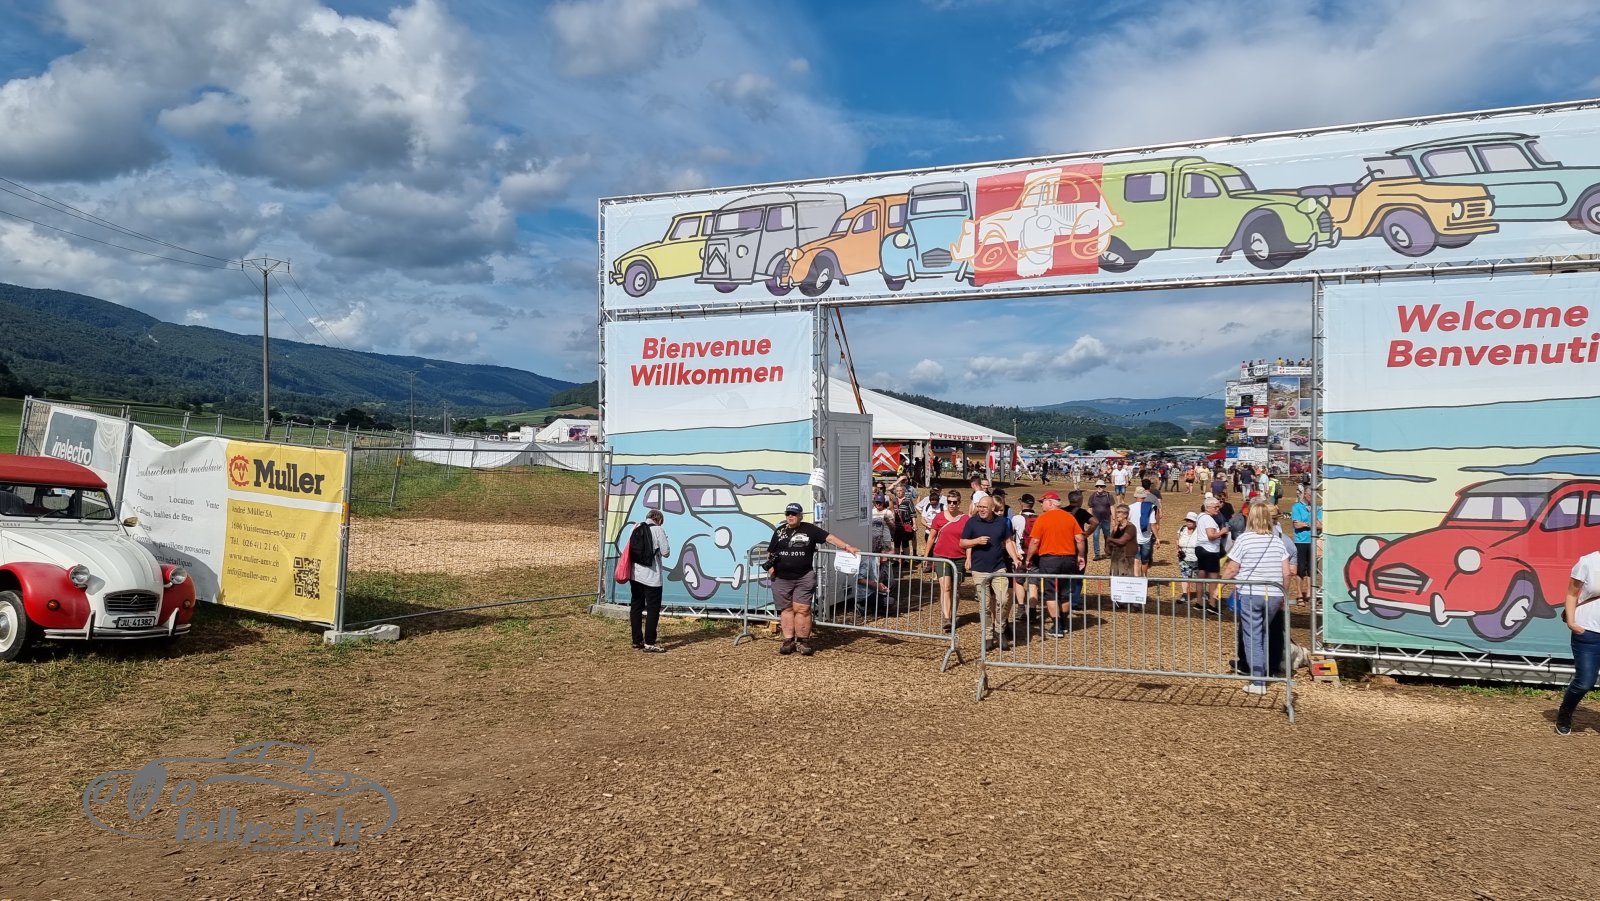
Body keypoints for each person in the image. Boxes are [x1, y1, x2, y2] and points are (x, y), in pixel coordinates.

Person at [763, 502, 859, 657]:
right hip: (781, 578)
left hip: (803, 577)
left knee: (803, 609)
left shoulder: (810, 529)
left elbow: (830, 538)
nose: (790, 516)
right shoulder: (779, 531)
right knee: (786, 609)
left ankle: (803, 641)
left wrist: (847, 547)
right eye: (788, 513)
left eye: (794, 514)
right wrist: (770, 568)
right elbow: (771, 552)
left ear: (800, 516)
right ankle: (788, 640)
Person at [1222, 502, 1294, 694]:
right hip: (1274, 593)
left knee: (1252, 635)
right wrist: (1284, 594)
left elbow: (1232, 568)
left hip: (1251, 592)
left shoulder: (1244, 539)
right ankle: (1266, 672)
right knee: (1264, 632)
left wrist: (1218, 586)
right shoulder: (1277, 541)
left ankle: (1258, 681)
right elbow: (1287, 573)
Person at [961, 495, 1022, 651]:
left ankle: (999, 630)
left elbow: (1008, 542)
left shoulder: (1001, 522)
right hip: (979, 570)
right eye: (979, 507)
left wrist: (1015, 558)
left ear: (992, 508)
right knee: (985, 605)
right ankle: (987, 635)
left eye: (984, 507)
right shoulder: (972, 522)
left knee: (1003, 599)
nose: (981, 510)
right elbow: (962, 542)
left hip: (998, 568)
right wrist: (976, 541)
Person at [1025, 490, 1086, 638]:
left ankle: (1057, 626)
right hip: (1069, 559)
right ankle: (1064, 624)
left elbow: (1035, 541)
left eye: (1043, 502)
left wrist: (1028, 558)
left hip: (1049, 559)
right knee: (1065, 593)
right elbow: (1080, 539)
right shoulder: (1070, 517)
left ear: (1050, 502)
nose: (1041, 505)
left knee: (1051, 594)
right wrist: (1081, 555)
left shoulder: (1042, 518)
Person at [1556, 549, 1600, 735]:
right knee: (1584, 682)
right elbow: (1572, 593)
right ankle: (1565, 713)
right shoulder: (1588, 562)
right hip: (1588, 631)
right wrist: (1572, 622)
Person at [627, 510, 670, 652]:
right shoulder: (658, 530)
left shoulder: (635, 527)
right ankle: (650, 642)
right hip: (652, 576)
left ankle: (637, 641)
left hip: (635, 575)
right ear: (659, 520)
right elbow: (666, 552)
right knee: (652, 609)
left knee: (636, 606)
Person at [929, 490, 969, 629]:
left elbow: (968, 540)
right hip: (941, 556)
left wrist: (969, 557)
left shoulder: (965, 519)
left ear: (959, 503)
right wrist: (926, 556)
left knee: (955, 589)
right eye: (949, 502)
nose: (952, 504)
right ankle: (946, 617)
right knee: (946, 587)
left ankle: (952, 614)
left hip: (959, 557)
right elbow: (932, 537)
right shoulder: (939, 517)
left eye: (954, 502)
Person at [1194, 495, 1227, 611]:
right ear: (1207, 507)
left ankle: (1199, 602)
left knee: (1201, 574)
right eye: (1215, 507)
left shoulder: (1200, 516)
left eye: (1218, 507)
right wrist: (1222, 531)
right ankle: (1212, 604)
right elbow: (1211, 536)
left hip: (1200, 548)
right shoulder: (1208, 519)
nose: (1218, 509)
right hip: (1210, 550)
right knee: (1213, 577)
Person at [1290, 486, 1314, 606]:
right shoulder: (1296, 507)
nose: (1312, 498)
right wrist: (1310, 524)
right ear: (1305, 495)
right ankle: (1299, 594)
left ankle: (1309, 593)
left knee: (1311, 569)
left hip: (1313, 541)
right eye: (1310, 495)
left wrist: (1304, 524)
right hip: (1300, 542)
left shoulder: (1317, 508)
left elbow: (1321, 524)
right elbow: (1296, 525)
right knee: (1300, 569)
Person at [1128, 487, 1159, 577]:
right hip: (1146, 538)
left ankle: (1136, 579)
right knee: (1145, 560)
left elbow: (1127, 522)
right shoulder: (1149, 507)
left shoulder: (1130, 507)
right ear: (1144, 496)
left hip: (1134, 538)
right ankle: (1144, 577)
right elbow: (1152, 524)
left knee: (1136, 559)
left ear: (1135, 496)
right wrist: (1157, 537)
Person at [1176, 511, 1201, 603]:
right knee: (1185, 576)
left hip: (1197, 559)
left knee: (1198, 578)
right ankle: (1185, 594)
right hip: (1184, 559)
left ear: (1195, 522)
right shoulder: (1182, 529)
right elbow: (1177, 540)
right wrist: (1178, 550)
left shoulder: (1200, 531)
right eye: (1187, 520)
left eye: (1191, 521)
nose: (1189, 522)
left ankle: (1200, 595)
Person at [1106, 504, 1135, 577]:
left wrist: (1109, 539)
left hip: (1126, 558)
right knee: (1114, 578)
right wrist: (1114, 532)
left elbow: (1122, 541)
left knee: (1124, 579)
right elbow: (1109, 544)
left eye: (1119, 512)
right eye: (1116, 512)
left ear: (1125, 515)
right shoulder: (1117, 527)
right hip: (1115, 557)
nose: (1116, 515)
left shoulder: (1131, 527)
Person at [1087, 480, 1114, 559]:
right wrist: (1089, 519)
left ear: (1104, 487)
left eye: (1101, 486)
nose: (1099, 487)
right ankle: (1097, 554)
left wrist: (1114, 519)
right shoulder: (1092, 496)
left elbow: (1112, 507)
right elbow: (1090, 508)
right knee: (1095, 537)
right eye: (1098, 486)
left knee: (1107, 536)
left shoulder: (1109, 496)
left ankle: (1108, 553)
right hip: (1096, 520)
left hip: (1106, 520)